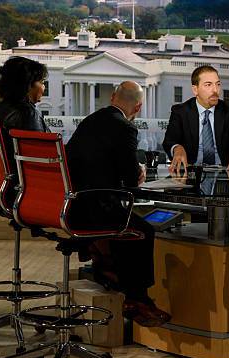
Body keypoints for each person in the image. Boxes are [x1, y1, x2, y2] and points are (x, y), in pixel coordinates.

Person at [65, 81, 170, 327]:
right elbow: (131, 179)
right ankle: (137, 298)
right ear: (139, 107)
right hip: (96, 209)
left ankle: (106, 265)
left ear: (113, 97)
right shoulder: (125, 128)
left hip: (73, 207)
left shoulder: (89, 121)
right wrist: (140, 171)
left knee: (127, 221)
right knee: (143, 231)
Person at [162, 65, 229, 173]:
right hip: (190, 173)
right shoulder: (180, 112)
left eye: (217, 84)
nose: (215, 90)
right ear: (195, 90)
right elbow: (169, 141)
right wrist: (177, 148)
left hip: (223, 175)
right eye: (208, 85)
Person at [0, 56, 50, 171]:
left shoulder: (1, 109)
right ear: (28, 85)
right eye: (41, 82)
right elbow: (41, 156)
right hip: (29, 181)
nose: (44, 87)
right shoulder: (28, 114)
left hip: (6, 177)